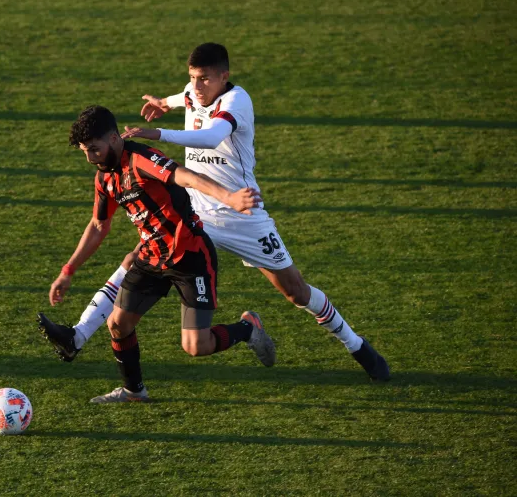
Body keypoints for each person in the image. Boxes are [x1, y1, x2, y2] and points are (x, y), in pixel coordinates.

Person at [38, 43, 390, 382]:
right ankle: (78, 335)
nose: (196, 85)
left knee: (296, 291)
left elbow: (211, 136)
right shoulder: (194, 93)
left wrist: (159, 131)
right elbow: (185, 99)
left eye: (204, 78)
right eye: (192, 77)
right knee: (138, 256)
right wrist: (164, 102)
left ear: (224, 76)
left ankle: (357, 346)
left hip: (242, 212)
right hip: (199, 208)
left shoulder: (238, 100)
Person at [37, 105, 276, 404]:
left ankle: (247, 328)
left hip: (190, 257)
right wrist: (67, 271)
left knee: (195, 346)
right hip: (150, 258)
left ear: (113, 138)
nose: (90, 158)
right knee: (118, 324)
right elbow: (99, 225)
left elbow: (185, 176)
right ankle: (134, 391)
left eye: (94, 150)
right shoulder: (105, 179)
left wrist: (229, 197)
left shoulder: (141, 160)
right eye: (85, 151)